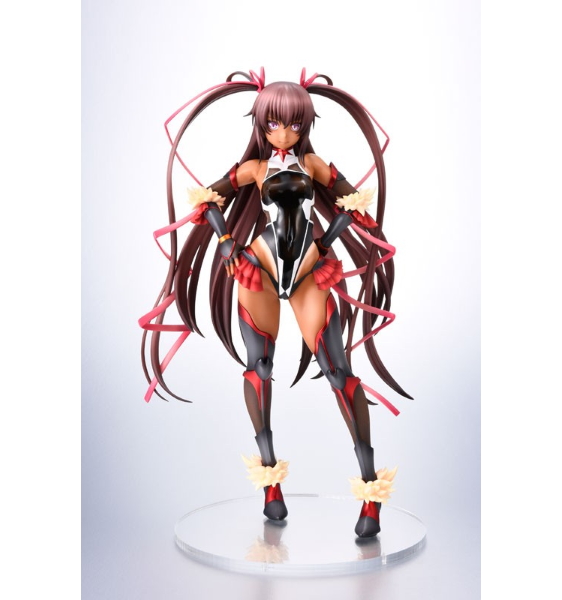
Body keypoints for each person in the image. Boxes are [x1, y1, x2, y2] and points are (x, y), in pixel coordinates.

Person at [140, 68, 411, 538]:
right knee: (259, 368)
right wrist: (226, 241)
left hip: (308, 270)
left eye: (293, 123)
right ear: (260, 124)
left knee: (339, 372)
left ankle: (371, 494)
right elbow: (207, 199)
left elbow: (354, 203)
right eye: (272, 123)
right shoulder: (254, 170)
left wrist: (328, 238)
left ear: (305, 124)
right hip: (259, 266)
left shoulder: (315, 165)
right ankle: (270, 486)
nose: (283, 133)